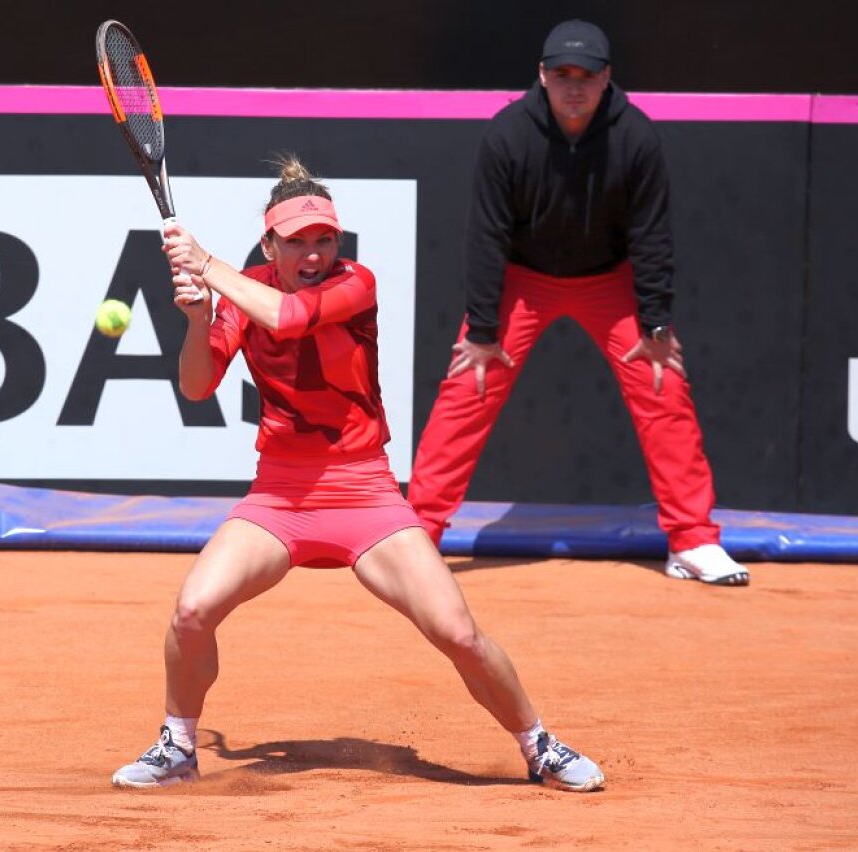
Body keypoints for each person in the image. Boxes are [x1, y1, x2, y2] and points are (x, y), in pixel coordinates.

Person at [111, 156, 604, 792]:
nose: (313, 254)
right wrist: (200, 317)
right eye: (297, 242)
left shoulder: (357, 283)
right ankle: (178, 746)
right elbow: (198, 386)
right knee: (191, 611)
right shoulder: (243, 290)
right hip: (279, 497)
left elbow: (288, 318)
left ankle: (540, 746)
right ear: (271, 244)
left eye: (324, 240)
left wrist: (209, 268)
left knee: (456, 631)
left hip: (365, 493)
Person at [408, 19, 749, 587]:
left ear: (606, 79)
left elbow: (652, 234)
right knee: (471, 382)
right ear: (541, 76)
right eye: (561, 75)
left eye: (585, 77)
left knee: (662, 384)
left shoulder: (636, 137)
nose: (573, 87)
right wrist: (485, 328)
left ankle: (692, 541)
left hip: (608, 282)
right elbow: (486, 235)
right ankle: (418, 537)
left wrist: (657, 319)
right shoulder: (507, 136)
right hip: (522, 279)